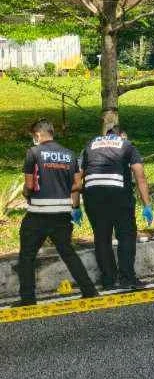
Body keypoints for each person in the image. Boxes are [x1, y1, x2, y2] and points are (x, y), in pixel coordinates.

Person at [17, 119, 98, 306]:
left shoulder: (33, 153)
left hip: (38, 214)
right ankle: (89, 290)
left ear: (38, 135)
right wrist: (62, 188)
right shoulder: (69, 155)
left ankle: (28, 299)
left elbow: (29, 185)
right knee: (68, 253)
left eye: (33, 136)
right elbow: (79, 184)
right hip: (62, 212)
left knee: (27, 256)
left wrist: (26, 191)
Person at [78, 125, 153, 290]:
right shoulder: (126, 145)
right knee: (126, 235)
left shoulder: (89, 145)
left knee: (102, 238)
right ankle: (127, 278)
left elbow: (77, 177)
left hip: (93, 195)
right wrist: (147, 205)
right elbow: (140, 177)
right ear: (122, 135)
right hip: (118, 195)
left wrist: (75, 205)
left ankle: (108, 281)